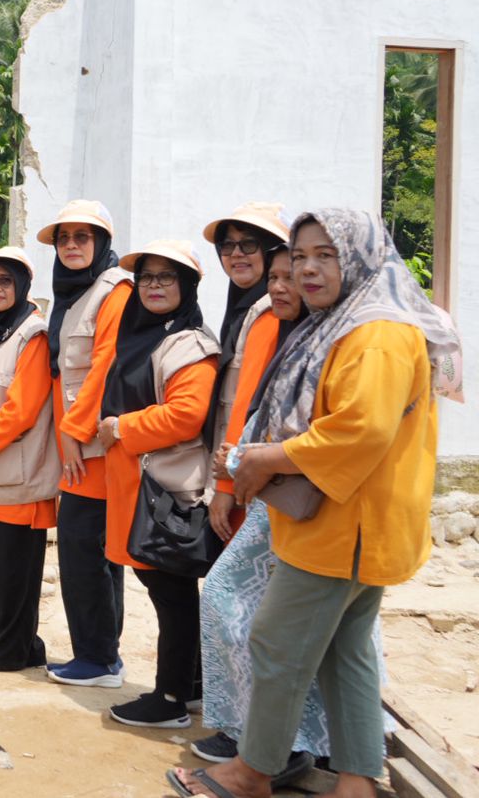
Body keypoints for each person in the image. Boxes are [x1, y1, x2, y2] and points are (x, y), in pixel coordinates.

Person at [173, 210, 460, 798]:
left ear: (359, 258)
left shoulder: (376, 335)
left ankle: (252, 772)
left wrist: (266, 458)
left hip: (346, 524)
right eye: (301, 255)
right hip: (349, 522)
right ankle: (357, 780)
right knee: (344, 651)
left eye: (325, 255)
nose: (307, 269)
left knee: (276, 642)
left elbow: (360, 431)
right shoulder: (346, 323)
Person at [196, 245, 331, 775]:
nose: (278, 286)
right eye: (274, 277)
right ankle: (267, 736)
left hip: (309, 505)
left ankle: (275, 743)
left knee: (244, 606)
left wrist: (240, 466)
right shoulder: (288, 336)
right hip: (273, 498)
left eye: (289, 276)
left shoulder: (329, 342)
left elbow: (326, 434)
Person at [93, 239, 219, 729]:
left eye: (167, 277)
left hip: (167, 489)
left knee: (172, 591)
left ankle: (169, 699)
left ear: (186, 285)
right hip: (139, 484)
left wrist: (121, 427)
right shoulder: (144, 334)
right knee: (166, 587)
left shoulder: (189, 343)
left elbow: (186, 414)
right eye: (146, 277)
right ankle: (190, 685)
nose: (154, 286)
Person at [39, 200, 135, 689]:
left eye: (83, 237)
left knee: (83, 547)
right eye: (64, 238)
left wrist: (75, 433)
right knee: (90, 548)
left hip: (93, 445)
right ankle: (101, 654)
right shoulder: (75, 293)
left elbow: (106, 367)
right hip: (76, 444)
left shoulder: (113, 291)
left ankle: (98, 659)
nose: (72, 245)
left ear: (101, 243)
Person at [0, 248, 62, 673]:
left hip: (20, 473)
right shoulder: (4, 333)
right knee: (2, 565)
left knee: (14, 568)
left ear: (22, 286)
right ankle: (24, 645)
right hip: (1, 474)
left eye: (5, 280)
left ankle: (7, 650)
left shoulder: (32, 335)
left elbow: (22, 408)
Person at [201, 204, 288, 481]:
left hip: (241, 476)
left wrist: (226, 485)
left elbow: (247, 406)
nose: (236, 254)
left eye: (249, 244)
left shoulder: (269, 312)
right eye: (228, 246)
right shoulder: (242, 310)